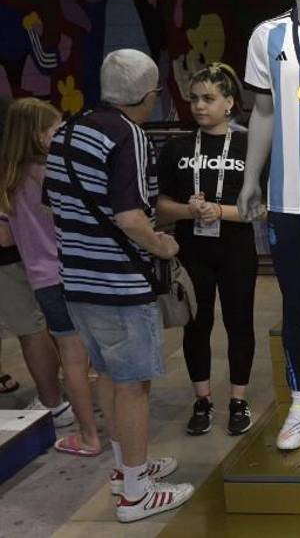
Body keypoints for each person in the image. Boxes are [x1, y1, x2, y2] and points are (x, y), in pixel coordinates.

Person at [44, 49, 192, 521]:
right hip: (119, 283)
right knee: (133, 385)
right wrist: (162, 246)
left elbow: (52, 204)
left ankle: (126, 466)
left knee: (108, 374)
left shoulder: (69, 131)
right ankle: (136, 493)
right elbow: (131, 217)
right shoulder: (129, 136)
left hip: (76, 279)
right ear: (148, 96)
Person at [156, 63, 257, 437]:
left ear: (229, 103)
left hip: (236, 248)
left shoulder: (249, 146)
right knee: (197, 326)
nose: (199, 106)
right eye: (195, 98)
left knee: (239, 323)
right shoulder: (177, 147)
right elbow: (160, 206)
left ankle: (238, 401)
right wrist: (189, 210)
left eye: (209, 99)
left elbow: (261, 208)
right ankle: (202, 400)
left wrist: (220, 211)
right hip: (192, 249)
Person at [0, 98, 105, 455]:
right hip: (76, 270)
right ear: (38, 135)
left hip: (42, 279)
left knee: (71, 355)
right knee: (94, 353)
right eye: (55, 129)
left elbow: (7, 237)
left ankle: (81, 428)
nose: (61, 134)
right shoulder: (55, 172)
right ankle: (103, 427)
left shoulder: (9, 179)